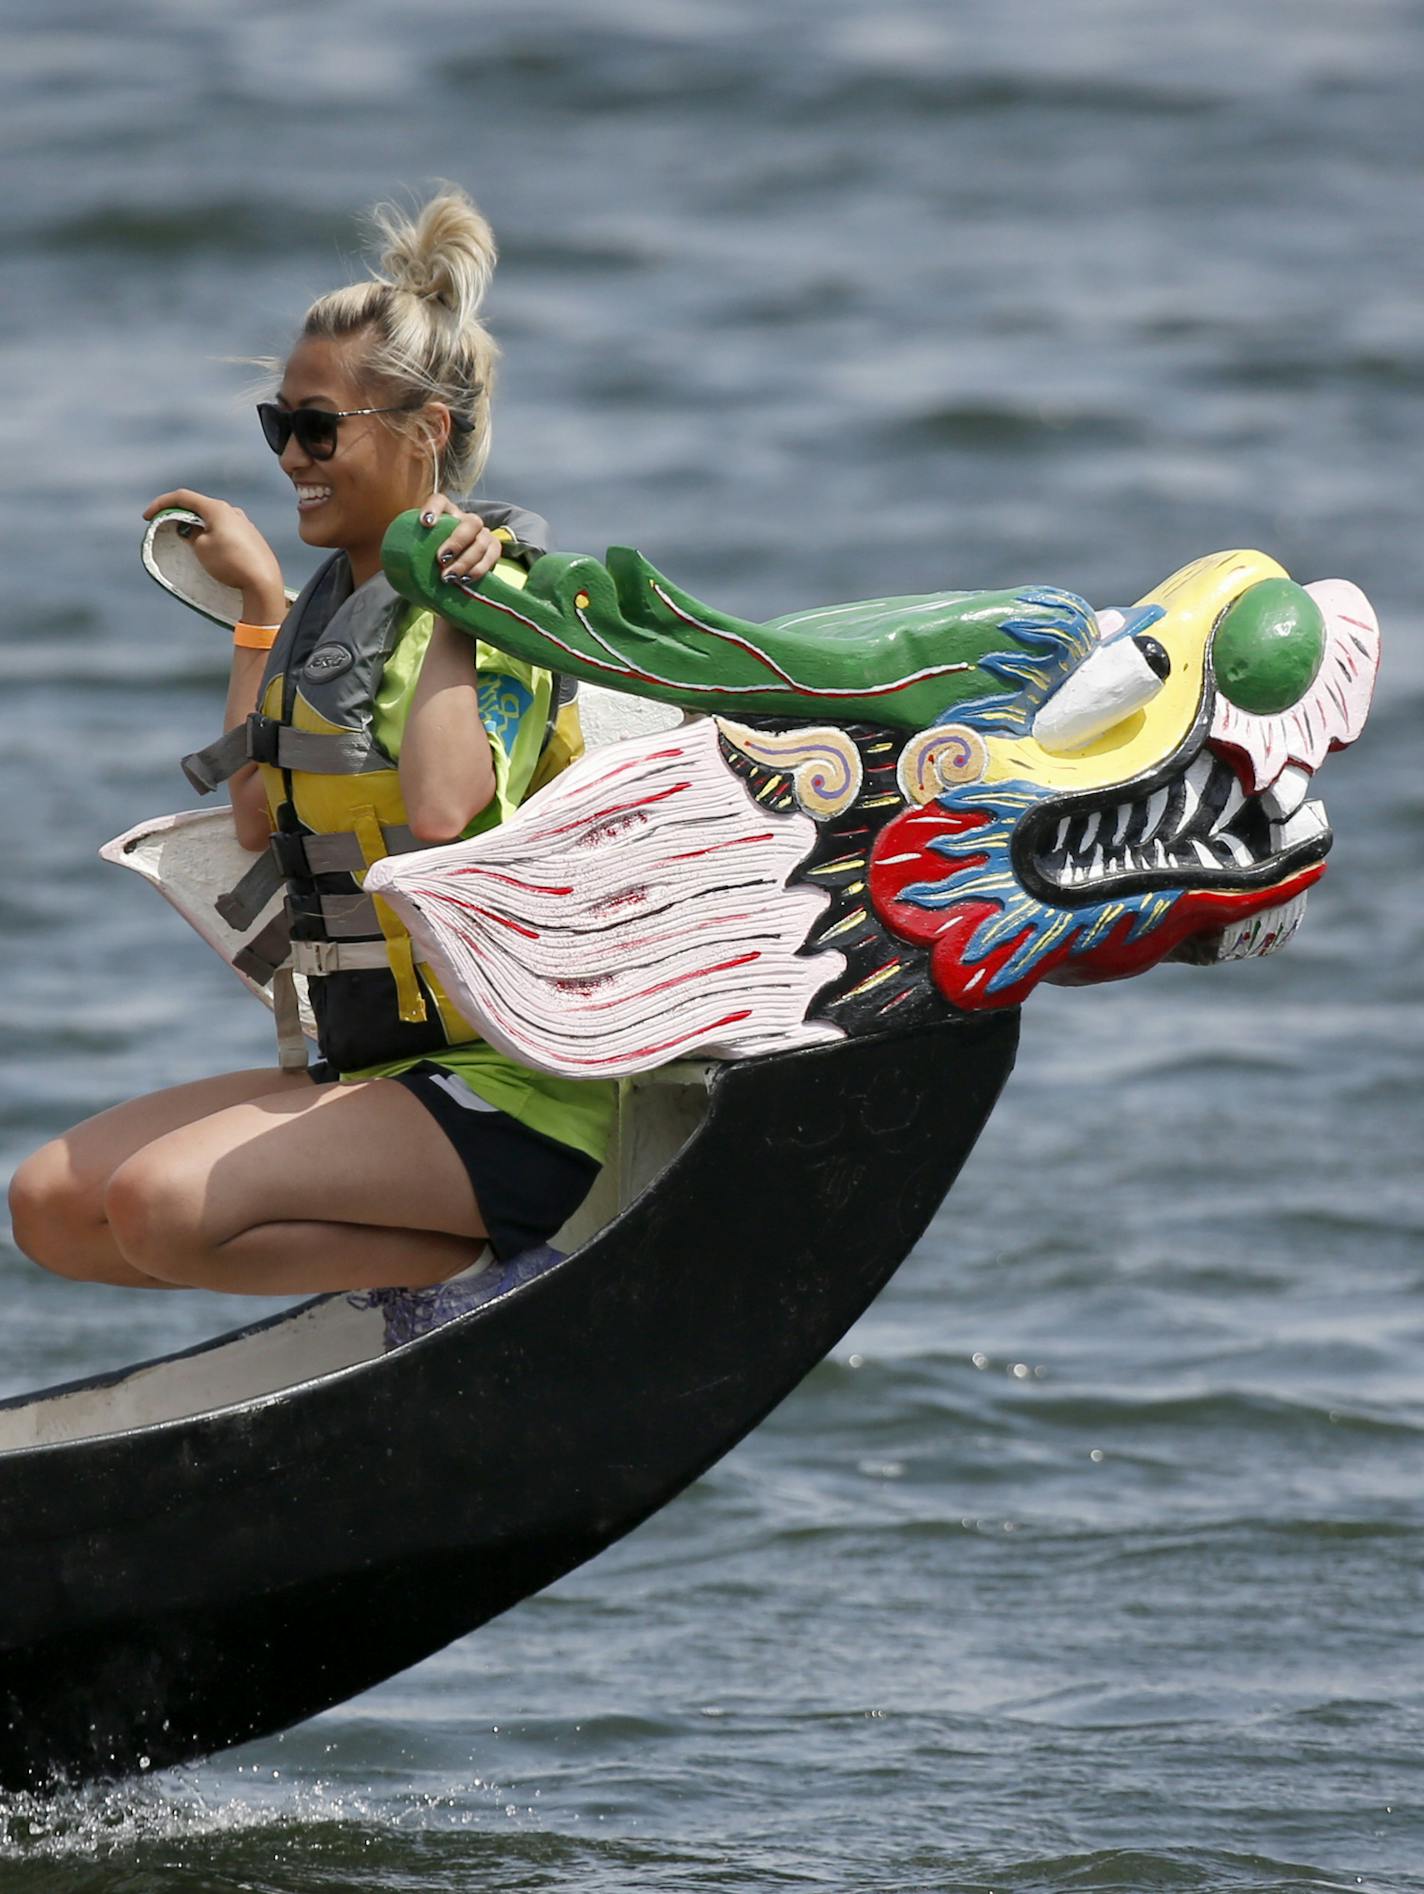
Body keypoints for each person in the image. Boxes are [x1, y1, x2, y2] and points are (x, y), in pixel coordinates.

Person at [8, 187, 614, 1296]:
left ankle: (485, 1279)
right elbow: (254, 816)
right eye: (279, 425)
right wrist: (258, 608)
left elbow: (439, 810)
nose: (291, 454)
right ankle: (434, 1272)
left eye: (317, 427)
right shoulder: (330, 607)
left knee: (160, 1201)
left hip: (509, 1092)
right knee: (51, 1204)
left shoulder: (499, 601)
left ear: (426, 434)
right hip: (376, 1069)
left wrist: (455, 600)